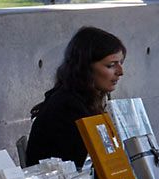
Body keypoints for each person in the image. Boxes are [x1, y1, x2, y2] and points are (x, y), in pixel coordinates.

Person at [25, 26, 134, 168]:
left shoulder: (80, 100)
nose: (120, 72)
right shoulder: (68, 107)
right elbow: (95, 169)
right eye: (111, 65)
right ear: (86, 68)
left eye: (121, 63)